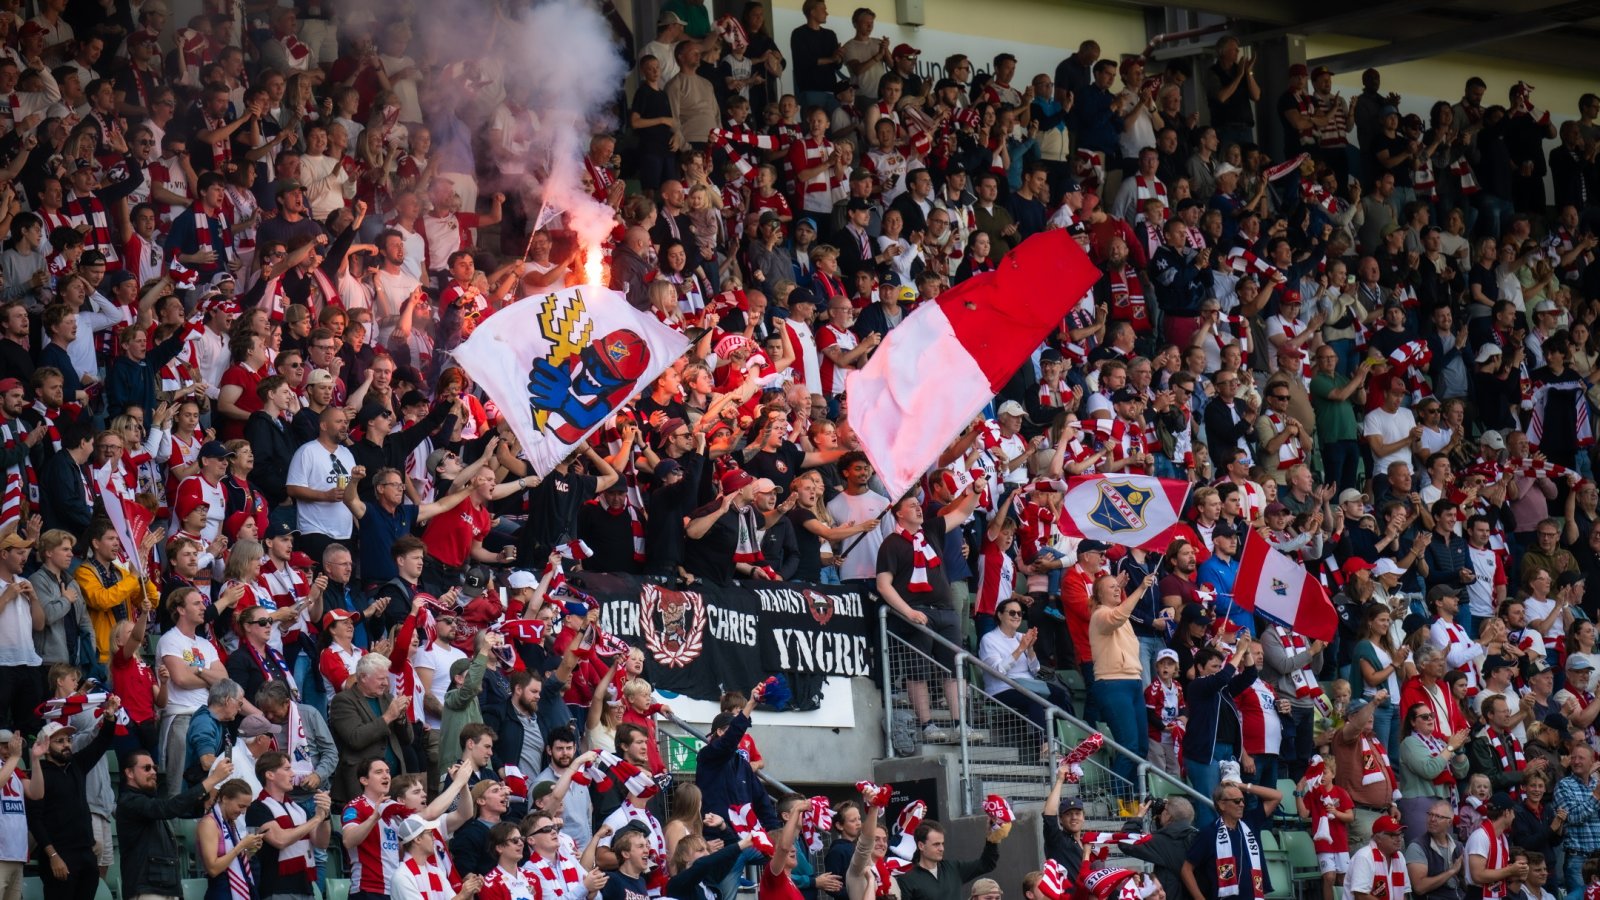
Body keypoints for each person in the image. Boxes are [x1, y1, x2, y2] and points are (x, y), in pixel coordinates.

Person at [875, 486, 980, 743]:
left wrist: (976, 492)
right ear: (899, 514)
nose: (918, 508)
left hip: (946, 611)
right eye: (911, 506)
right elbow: (883, 585)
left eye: (918, 504)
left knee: (954, 670)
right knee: (918, 671)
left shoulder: (931, 530)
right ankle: (927, 725)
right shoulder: (891, 544)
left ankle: (961, 725)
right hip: (917, 613)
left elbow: (962, 512)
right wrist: (908, 612)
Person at [29, 697, 119, 900]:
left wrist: (110, 717)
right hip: (58, 855)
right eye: (59, 741)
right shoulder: (39, 774)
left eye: (68, 740)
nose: (67, 745)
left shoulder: (76, 765)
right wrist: (53, 856)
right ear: (45, 746)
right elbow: (35, 820)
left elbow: (102, 742)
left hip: (86, 854)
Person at [116, 750, 239, 900]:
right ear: (129, 773)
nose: (153, 772)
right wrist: (213, 779)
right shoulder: (129, 801)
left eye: (154, 767)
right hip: (146, 890)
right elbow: (169, 808)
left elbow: (172, 808)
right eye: (146, 768)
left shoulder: (148, 803)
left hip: (166, 888)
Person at [246, 751, 332, 900]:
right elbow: (280, 840)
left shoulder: (299, 809)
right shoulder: (257, 808)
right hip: (277, 889)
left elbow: (321, 843)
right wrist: (317, 819)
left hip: (306, 887)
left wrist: (325, 815)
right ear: (270, 775)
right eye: (287, 769)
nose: (293, 774)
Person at [1180, 779, 1271, 900]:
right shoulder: (1209, 833)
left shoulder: (1250, 823)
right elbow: (1186, 870)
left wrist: (1242, 786)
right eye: (1236, 801)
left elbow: (1276, 796)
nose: (1242, 804)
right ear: (1222, 805)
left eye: (1243, 800)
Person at [893, 818, 1003, 900]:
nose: (941, 848)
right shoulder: (907, 880)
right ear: (921, 846)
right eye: (936, 844)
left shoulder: (954, 868)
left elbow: (987, 864)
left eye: (942, 843)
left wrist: (992, 837)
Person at [392, 813, 484, 900]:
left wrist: (470, 892)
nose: (434, 838)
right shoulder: (402, 876)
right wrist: (462, 895)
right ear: (418, 839)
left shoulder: (436, 871)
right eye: (430, 833)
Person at [1467, 792, 1528, 900]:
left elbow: (1499, 871)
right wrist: (1510, 870)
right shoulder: (1480, 837)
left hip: (1495, 894)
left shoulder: (1502, 838)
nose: (1514, 816)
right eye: (1513, 812)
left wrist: (1517, 870)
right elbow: (1477, 875)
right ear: (1507, 813)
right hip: (1478, 895)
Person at [1347, 815, 1412, 900]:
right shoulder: (1364, 856)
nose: (1399, 839)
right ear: (1378, 838)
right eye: (1393, 835)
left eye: (1400, 834)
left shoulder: (1400, 857)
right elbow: (1360, 896)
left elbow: (1404, 893)